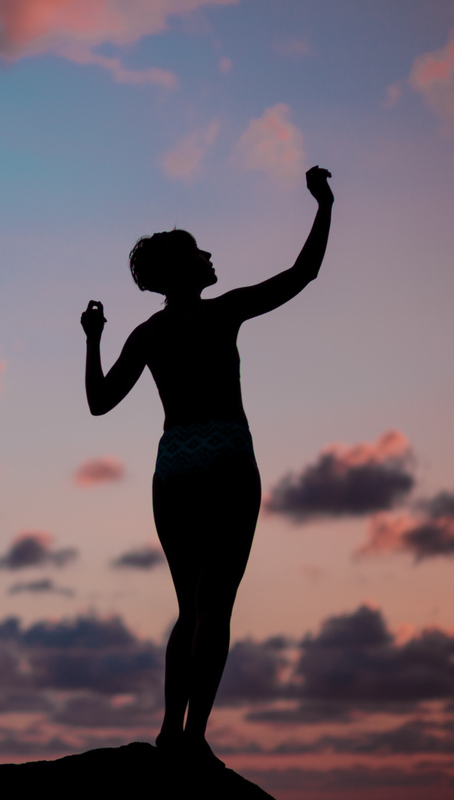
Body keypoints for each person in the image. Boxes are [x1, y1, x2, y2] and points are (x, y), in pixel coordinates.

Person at [80, 166, 334, 767]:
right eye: (199, 251)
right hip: (223, 453)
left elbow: (98, 403)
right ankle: (192, 741)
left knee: (187, 608)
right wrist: (324, 205)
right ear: (185, 268)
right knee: (214, 606)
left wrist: (93, 337)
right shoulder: (224, 312)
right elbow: (305, 273)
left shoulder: (147, 334)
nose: (210, 255)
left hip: (174, 464)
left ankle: (170, 730)